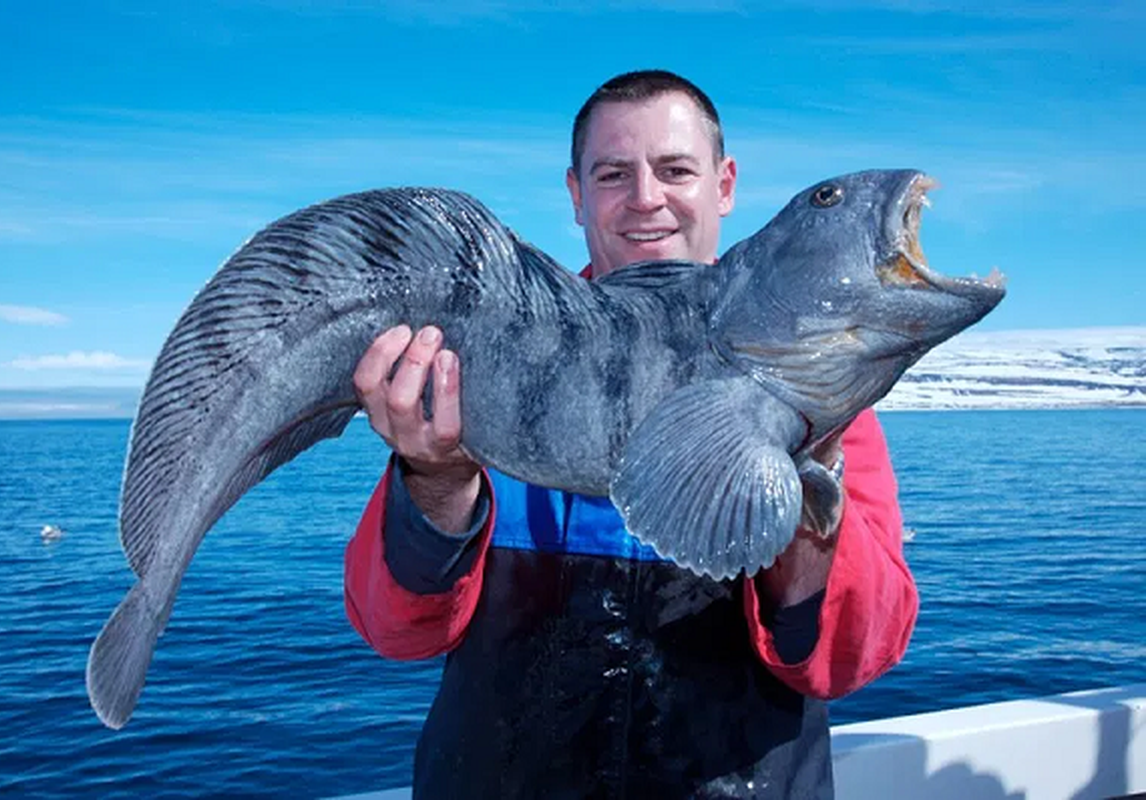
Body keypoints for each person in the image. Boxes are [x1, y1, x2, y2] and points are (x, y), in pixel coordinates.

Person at [344, 70, 918, 799]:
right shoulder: (495, 369)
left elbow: (849, 659)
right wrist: (435, 478)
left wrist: (807, 483)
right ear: (577, 194)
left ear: (724, 183)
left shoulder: (824, 401)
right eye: (614, 174)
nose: (646, 198)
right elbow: (396, 632)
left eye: (675, 170)